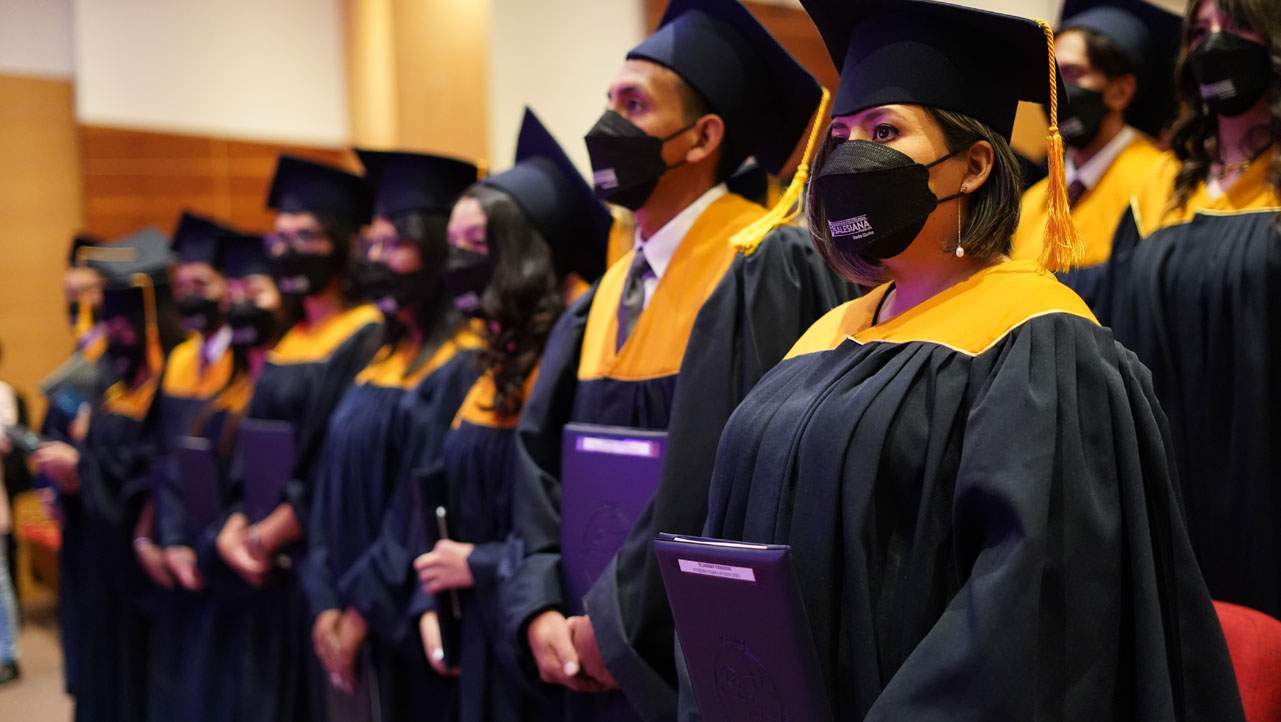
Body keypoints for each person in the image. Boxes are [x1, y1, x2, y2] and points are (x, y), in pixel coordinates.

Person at [678, 0, 1246, 718]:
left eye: (885, 132)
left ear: (973, 165)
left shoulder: (1041, 345)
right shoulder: (825, 334)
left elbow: (1028, 612)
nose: (852, 155)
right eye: (842, 135)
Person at [503, 1, 855, 719]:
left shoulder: (760, 264)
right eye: (607, 102)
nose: (607, 126)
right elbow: (537, 457)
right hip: (575, 641)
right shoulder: (600, 295)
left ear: (702, 138)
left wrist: (617, 622)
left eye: (633, 104)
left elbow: (725, 473)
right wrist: (537, 600)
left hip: (684, 654)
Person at [412, 108, 611, 722]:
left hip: (543, 636)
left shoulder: (578, 358)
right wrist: (425, 601)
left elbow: (585, 524)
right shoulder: (477, 369)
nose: (462, 264)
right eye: (454, 248)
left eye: (479, 246)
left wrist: (480, 563)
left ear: (528, 252)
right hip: (477, 634)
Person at [1093, 0, 1281, 620]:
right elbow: (1112, 303)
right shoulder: (1160, 190)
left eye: (1238, 26)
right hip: (1177, 479)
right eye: (1200, 31)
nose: (1216, 43)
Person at [301, 149, 482, 722]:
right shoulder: (367, 356)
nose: (376, 260)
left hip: (407, 618)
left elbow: (416, 507)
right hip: (345, 610)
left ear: (434, 252)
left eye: (393, 245)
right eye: (371, 246)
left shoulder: (460, 364)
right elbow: (322, 485)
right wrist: (324, 598)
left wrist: (360, 610)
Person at [214, 154, 383, 722]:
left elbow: (327, 467)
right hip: (265, 563)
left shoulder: (363, 337)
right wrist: (236, 526)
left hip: (315, 561)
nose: (287, 249)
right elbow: (251, 450)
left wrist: (265, 537)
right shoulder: (288, 343)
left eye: (306, 235)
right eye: (280, 236)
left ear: (341, 242)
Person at [34, 228, 182, 722]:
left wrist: (85, 468)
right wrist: (69, 482)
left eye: (125, 319)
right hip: (97, 558)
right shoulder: (111, 386)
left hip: (140, 567)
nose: (113, 329)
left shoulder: (171, 386)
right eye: (109, 317)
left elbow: (157, 467)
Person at [1010, 0, 1179, 302]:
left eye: (1074, 74)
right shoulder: (1033, 202)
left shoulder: (1162, 181)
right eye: (1051, 77)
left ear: (1120, 91)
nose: (1058, 92)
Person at [144, 211, 239, 721]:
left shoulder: (245, 364)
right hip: (176, 547)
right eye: (181, 285)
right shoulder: (178, 360)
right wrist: (164, 538)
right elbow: (163, 458)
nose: (189, 295)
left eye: (201, 283)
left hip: (226, 551)